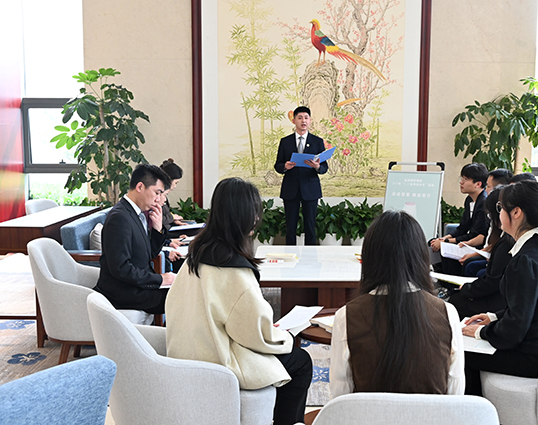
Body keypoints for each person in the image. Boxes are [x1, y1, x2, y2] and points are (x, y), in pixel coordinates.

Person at [165, 178, 312, 425]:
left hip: (186, 356)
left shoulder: (196, 255)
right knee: (301, 362)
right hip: (219, 363)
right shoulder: (234, 271)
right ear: (246, 217)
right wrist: (283, 336)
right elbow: (257, 336)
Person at [330, 210, 465, 397]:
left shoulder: (346, 316)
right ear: (420, 257)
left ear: (369, 258)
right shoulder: (447, 313)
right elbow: (455, 393)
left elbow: (339, 396)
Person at [462, 180, 538, 396]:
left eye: (500, 208)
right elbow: (529, 306)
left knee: (459, 354)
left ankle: (476, 411)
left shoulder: (526, 260)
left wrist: (481, 332)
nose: (498, 214)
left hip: (537, 354)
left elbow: (514, 329)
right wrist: (493, 317)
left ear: (516, 212)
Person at [94, 164, 175, 314]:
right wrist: (160, 279)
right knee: (183, 298)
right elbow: (120, 268)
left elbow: (148, 254)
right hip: (124, 292)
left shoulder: (136, 213)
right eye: (157, 193)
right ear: (140, 187)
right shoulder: (119, 218)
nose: (158, 199)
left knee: (185, 293)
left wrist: (157, 229)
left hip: (138, 285)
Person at [447, 187, 514, 318]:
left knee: (456, 301)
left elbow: (493, 282)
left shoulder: (507, 243)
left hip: (502, 302)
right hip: (504, 297)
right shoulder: (508, 239)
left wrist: (468, 289)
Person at [274, 106, 328, 245]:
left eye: (306, 118)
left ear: (310, 121)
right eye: (300, 118)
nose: (303, 121)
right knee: (290, 227)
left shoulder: (317, 141)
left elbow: (324, 168)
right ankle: (290, 255)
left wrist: (317, 167)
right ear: (294, 121)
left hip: (310, 189)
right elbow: (278, 165)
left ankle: (310, 256)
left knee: (310, 226)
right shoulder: (285, 141)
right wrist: (285, 166)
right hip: (290, 188)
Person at [429, 163, 489, 275]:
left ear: (478, 184)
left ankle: (450, 282)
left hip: (477, 245)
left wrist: (447, 241)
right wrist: (444, 238)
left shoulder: (484, 203)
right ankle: (441, 278)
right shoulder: (469, 200)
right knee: (433, 242)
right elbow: (462, 228)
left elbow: (477, 234)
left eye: (465, 179)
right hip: (467, 240)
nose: (461, 182)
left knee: (444, 247)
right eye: (462, 178)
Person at [460, 168, 512, 277]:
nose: (485, 190)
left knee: (472, 265)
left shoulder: (491, 205)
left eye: (488, 186)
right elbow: (464, 227)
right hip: (487, 251)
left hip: (490, 253)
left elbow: (483, 236)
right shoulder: (471, 200)